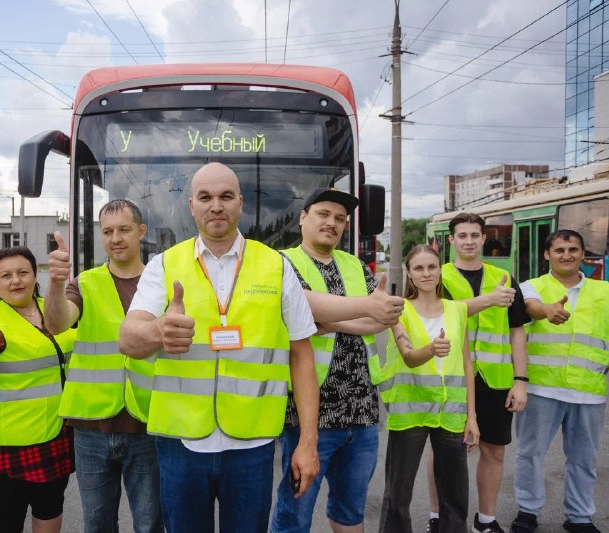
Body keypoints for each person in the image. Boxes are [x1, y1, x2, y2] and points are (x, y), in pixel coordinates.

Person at [118, 162, 320, 533]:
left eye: (226, 196)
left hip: (253, 443)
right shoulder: (164, 265)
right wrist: (158, 330)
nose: (216, 206)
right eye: (205, 197)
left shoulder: (276, 266)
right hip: (181, 443)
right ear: (191, 205)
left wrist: (308, 442)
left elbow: (302, 354)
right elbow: (128, 339)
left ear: (240, 203)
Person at [271, 188, 391, 533]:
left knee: (350, 513)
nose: (332, 223)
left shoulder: (355, 265)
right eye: (323, 214)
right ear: (303, 218)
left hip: (362, 412)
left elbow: (380, 319)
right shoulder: (281, 263)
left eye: (340, 219)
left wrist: (328, 322)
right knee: (294, 514)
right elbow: (300, 307)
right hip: (309, 416)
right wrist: (358, 313)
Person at [45, 199, 163, 533]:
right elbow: (57, 323)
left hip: (147, 423)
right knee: (97, 525)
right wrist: (56, 283)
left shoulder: (160, 283)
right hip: (92, 425)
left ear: (141, 231)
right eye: (108, 231)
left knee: (150, 524)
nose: (115, 238)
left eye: (124, 229)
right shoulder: (85, 283)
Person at [511, 230, 609, 533]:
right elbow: (531, 307)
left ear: (582, 254)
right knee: (530, 454)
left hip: (588, 391)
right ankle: (527, 512)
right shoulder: (531, 287)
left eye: (573, 249)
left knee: (583, 459)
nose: (566, 255)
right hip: (541, 388)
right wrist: (547, 311)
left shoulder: (606, 292)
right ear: (547, 255)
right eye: (559, 250)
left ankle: (579, 517)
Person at [0, 246, 75, 533]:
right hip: (5, 442)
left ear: (35, 275)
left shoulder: (53, 308)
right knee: (7, 519)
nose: (16, 281)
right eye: (6, 275)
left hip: (54, 434)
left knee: (50, 507)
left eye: (23, 273)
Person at [426, 212, 529, 533]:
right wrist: (489, 300)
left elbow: (517, 331)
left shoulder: (504, 278)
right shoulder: (437, 276)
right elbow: (433, 315)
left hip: (495, 380)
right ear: (451, 240)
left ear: (484, 238)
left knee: (494, 450)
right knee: (443, 451)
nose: (469, 241)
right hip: (450, 378)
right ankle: (437, 516)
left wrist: (521, 381)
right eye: (462, 235)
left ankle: (486, 520)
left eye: (474, 235)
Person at [378, 244, 480, 533]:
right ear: (409, 273)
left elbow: (467, 364)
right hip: (410, 411)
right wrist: (431, 349)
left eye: (432, 267)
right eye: (419, 268)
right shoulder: (399, 310)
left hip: (450, 413)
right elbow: (409, 357)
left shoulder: (457, 310)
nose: (426, 273)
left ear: (440, 270)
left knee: (455, 496)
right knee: (398, 494)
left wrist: (472, 417)